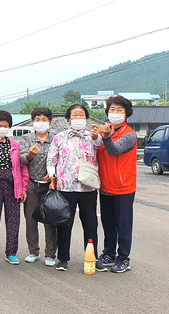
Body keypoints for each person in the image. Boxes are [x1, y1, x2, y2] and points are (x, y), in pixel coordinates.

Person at [47, 104, 101, 271]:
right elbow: (51, 160)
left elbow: (99, 145)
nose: (78, 118)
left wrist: (97, 136)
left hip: (88, 188)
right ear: (68, 119)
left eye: (81, 115)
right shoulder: (60, 137)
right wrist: (52, 178)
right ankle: (63, 259)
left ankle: (92, 257)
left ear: (86, 118)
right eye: (75, 115)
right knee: (64, 224)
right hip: (66, 187)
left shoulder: (92, 136)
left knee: (90, 224)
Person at [92, 96, 137, 273]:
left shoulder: (130, 135)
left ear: (126, 113)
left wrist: (106, 137)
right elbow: (97, 149)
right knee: (108, 223)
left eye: (119, 110)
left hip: (123, 188)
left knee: (123, 225)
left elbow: (113, 150)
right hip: (105, 186)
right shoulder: (105, 130)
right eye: (112, 109)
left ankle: (124, 258)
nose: (115, 113)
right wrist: (97, 137)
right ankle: (109, 254)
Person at [0, 110, 28, 265]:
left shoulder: (15, 145)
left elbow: (22, 168)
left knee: (13, 220)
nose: (2, 128)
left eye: (6, 125)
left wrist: (23, 188)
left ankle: (11, 252)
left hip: (12, 185)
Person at [19, 107, 57, 267]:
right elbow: (21, 159)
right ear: (32, 121)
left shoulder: (56, 139)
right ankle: (33, 251)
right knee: (30, 219)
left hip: (50, 186)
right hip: (31, 185)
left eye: (44, 120)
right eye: (37, 120)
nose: (40, 123)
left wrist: (54, 174)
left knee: (50, 220)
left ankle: (50, 254)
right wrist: (29, 155)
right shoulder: (27, 139)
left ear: (50, 122)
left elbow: (61, 159)